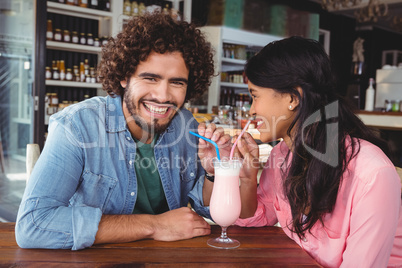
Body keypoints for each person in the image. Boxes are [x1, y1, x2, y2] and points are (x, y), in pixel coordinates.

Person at [15, 13, 231, 250]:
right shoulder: (77, 126)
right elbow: (33, 225)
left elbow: (206, 209)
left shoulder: (186, 126)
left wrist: (214, 173)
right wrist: (155, 225)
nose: (163, 96)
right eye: (150, 78)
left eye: (177, 82)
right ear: (123, 77)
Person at [233, 36, 402, 267]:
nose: (251, 111)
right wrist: (248, 178)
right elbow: (257, 217)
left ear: (293, 98)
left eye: (254, 96)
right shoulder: (282, 155)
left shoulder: (371, 174)